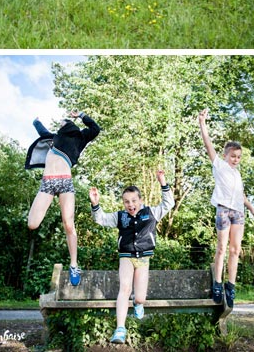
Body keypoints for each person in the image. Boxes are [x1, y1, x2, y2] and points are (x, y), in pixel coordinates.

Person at [89, 171, 174, 345]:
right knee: (125, 289)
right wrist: (95, 204)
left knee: (140, 297)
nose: (130, 204)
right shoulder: (120, 216)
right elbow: (101, 219)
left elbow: (168, 203)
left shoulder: (151, 213)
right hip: (126, 256)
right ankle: (120, 329)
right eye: (127, 201)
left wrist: (163, 183)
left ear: (140, 200)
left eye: (134, 201)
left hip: (143, 258)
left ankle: (138, 303)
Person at [25, 111, 101, 287]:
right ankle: (73, 263)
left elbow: (95, 128)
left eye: (61, 123)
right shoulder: (54, 139)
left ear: (68, 125)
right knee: (32, 224)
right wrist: (35, 121)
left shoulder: (80, 138)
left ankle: (74, 264)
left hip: (65, 182)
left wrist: (80, 115)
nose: (59, 125)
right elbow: (42, 131)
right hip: (47, 183)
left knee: (68, 224)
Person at [199, 109, 254, 309]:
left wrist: (252, 209)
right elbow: (208, 143)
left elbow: (241, 196)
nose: (236, 159)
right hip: (224, 211)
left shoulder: (237, 175)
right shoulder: (219, 165)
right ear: (225, 155)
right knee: (222, 248)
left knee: (235, 250)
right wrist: (202, 122)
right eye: (233, 156)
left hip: (238, 213)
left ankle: (230, 286)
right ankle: (217, 283)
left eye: (239, 157)